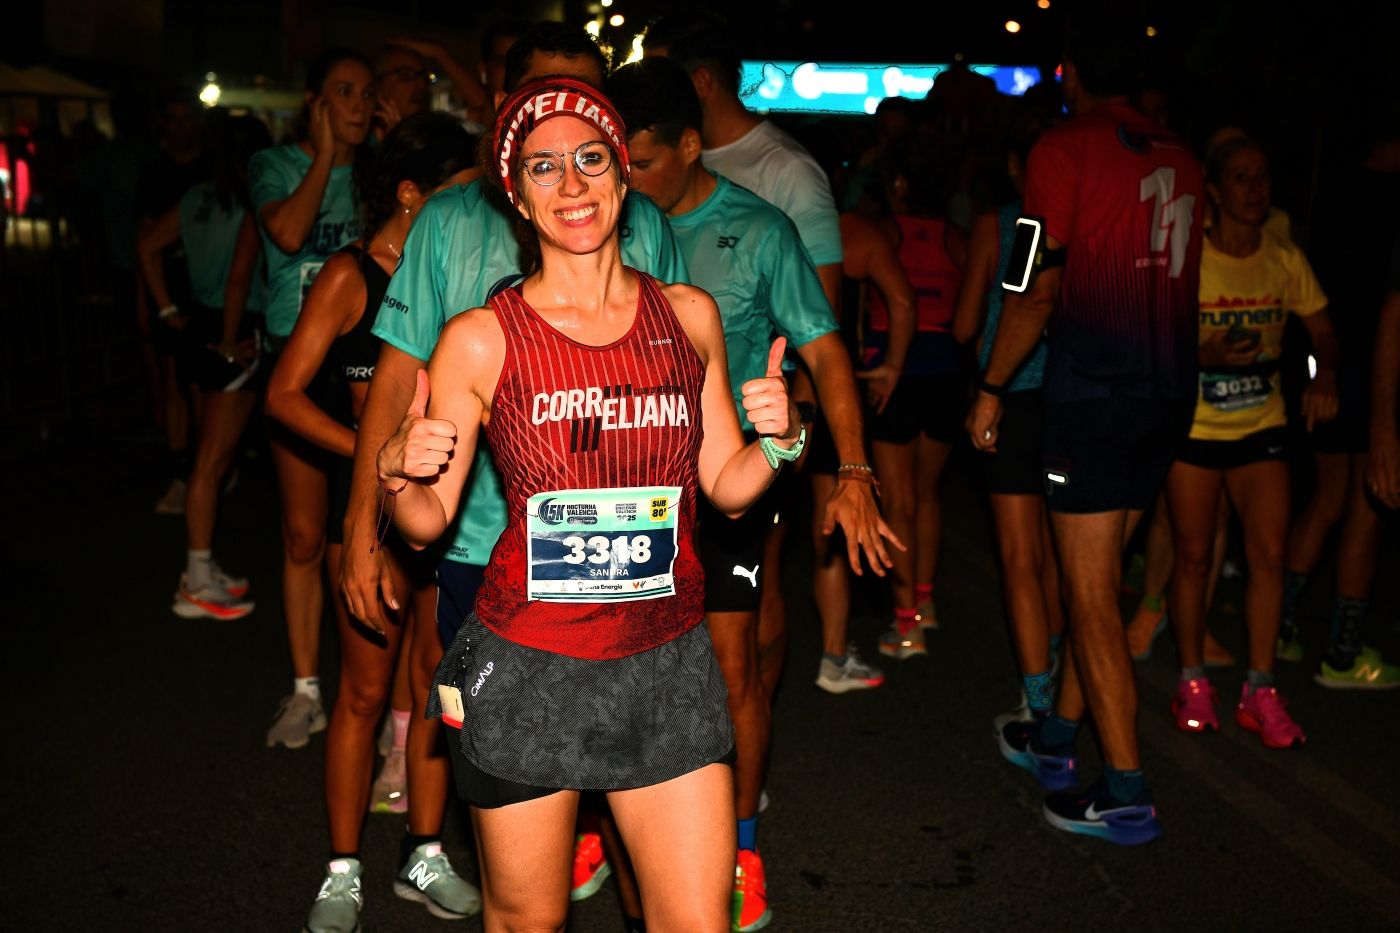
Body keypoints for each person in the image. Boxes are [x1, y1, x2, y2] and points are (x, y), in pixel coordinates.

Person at [375, 75, 801, 933]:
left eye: (591, 158)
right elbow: (426, 524)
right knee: (527, 920)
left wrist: (783, 441)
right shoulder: (480, 339)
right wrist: (399, 473)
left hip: (666, 665)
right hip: (530, 668)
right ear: (517, 195)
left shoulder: (689, 317)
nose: (571, 183)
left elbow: (726, 485)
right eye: (544, 167)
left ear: (622, 172)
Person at [338, 20, 688, 915]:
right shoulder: (449, 220)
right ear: (506, 110)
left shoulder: (645, 224)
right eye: (543, 100)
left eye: (589, 105)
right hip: (484, 553)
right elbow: (399, 380)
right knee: (519, 841)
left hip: (637, 579)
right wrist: (364, 519)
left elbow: (683, 380)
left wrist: (778, 443)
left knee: (652, 832)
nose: (570, 162)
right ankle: (488, 853)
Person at [607, 58, 900, 930]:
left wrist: (854, 471)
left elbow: (827, 350)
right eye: (616, 161)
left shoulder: (761, 230)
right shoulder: (599, 224)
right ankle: (616, 838)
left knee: (731, 663)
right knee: (618, 668)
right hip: (623, 480)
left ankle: (740, 848)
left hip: (729, 469)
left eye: (641, 162)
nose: (625, 180)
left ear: (691, 147)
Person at [968, 15, 1204, 845]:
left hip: (1096, 392)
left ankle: (1127, 792)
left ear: (1070, 72)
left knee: (1091, 594)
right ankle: (1058, 737)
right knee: (1094, 580)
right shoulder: (1180, 153)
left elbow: (1032, 284)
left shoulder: (1062, 149)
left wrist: (992, 386)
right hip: (1168, 390)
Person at [267, 111, 484, 932]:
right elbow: (283, 393)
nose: (473, 207)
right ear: (412, 193)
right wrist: (372, 449)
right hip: (372, 514)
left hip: (446, 512)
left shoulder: (458, 272)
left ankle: (424, 851)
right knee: (361, 693)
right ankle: (342, 870)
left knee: (436, 686)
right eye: (458, 190)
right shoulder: (351, 274)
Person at [1165, 136, 1338, 747]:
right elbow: (1156, 340)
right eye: (1240, 177)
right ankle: (1192, 681)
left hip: (1262, 422)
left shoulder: (1284, 258)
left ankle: (1260, 691)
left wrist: (1324, 377)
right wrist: (1203, 353)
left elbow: (1324, 332)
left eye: (1262, 176)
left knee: (1268, 554)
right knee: (1193, 556)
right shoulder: (1190, 259)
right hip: (1195, 427)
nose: (1254, 188)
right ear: (1213, 190)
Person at [251, 48, 373, 750]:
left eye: (365, 93)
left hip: (360, 363)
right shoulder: (274, 165)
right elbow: (289, 233)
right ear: (314, 102)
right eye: (343, 92)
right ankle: (305, 691)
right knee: (303, 535)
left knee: (360, 533)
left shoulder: (382, 172)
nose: (358, 105)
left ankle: (373, 696)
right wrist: (326, 156)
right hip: (296, 367)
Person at [952, 112, 1064, 723]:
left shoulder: (1008, 226)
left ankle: (1039, 701)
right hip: (1074, 397)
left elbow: (968, 324)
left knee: (1021, 557)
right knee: (1061, 551)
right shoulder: (1089, 221)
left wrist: (987, 383)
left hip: (1013, 393)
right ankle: (1061, 672)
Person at [137, 110, 271, 619]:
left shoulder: (196, 196)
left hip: (196, 324)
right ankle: (195, 581)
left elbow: (147, 247)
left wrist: (167, 310)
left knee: (207, 458)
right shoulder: (253, 201)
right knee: (212, 463)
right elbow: (239, 277)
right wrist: (231, 339)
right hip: (231, 330)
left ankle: (202, 566)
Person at [1280, 125, 1400, 686]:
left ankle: (1279, 626)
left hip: (1329, 358)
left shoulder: (1334, 189)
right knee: (1366, 507)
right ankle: (1343, 653)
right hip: (1367, 368)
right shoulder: (1384, 197)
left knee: (1331, 497)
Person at [860, 133, 967, 660]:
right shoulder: (957, 239)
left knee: (898, 500)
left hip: (894, 372)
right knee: (928, 494)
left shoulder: (884, 233)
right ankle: (924, 603)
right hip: (946, 371)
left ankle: (907, 624)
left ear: (899, 183)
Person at [139, 91, 209, 516]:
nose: (180, 127)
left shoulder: (213, 171)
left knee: (203, 385)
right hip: (169, 288)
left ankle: (206, 466)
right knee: (173, 379)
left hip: (208, 293)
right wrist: (149, 302)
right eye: (173, 118)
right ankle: (183, 468)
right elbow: (145, 239)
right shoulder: (156, 173)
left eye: (187, 118)